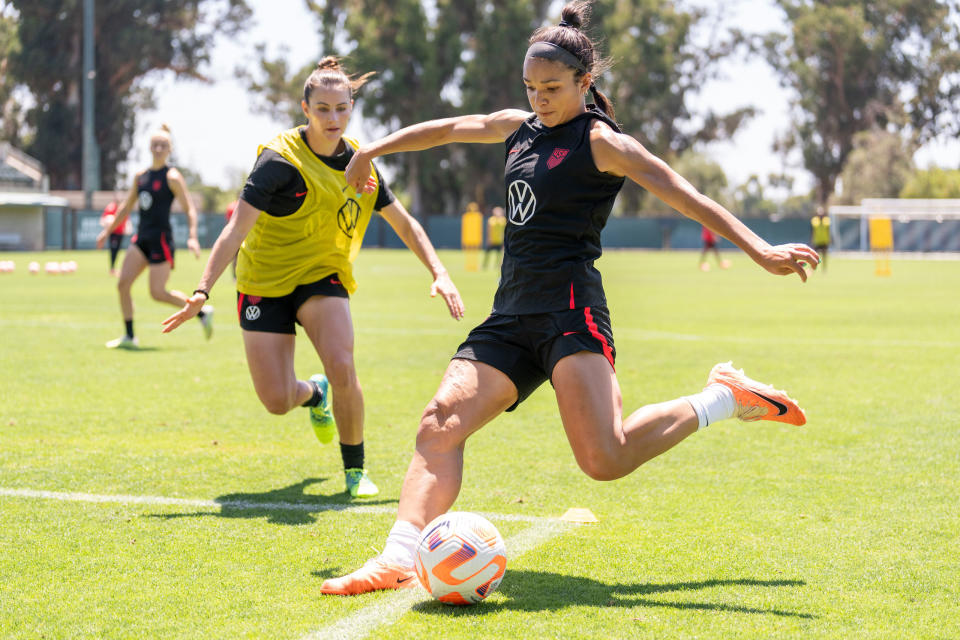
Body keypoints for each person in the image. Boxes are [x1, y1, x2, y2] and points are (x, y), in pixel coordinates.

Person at [319, 0, 820, 595]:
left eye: (552, 87)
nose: (539, 99)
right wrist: (373, 151)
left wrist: (760, 249)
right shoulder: (520, 129)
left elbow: (685, 195)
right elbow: (452, 127)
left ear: (586, 82)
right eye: (531, 87)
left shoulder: (604, 143)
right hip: (510, 314)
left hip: (570, 312)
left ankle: (722, 397)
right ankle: (398, 556)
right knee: (439, 423)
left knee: (604, 459)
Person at [161, 58, 465, 499]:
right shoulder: (278, 162)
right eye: (323, 109)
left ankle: (354, 470)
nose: (333, 119)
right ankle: (312, 394)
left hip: (323, 275)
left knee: (342, 364)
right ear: (305, 108)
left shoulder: (362, 164)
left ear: (351, 107)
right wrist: (200, 290)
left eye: (342, 109)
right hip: (264, 279)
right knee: (276, 400)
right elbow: (235, 230)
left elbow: (406, 224)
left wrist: (440, 273)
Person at [96, 124, 213, 349]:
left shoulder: (172, 177)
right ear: (149, 148)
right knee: (122, 284)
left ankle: (203, 312)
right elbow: (125, 207)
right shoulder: (140, 177)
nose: (158, 148)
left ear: (169, 149)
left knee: (157, 293)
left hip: (161, 240)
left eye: (163, 145)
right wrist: (107, 231)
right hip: (141, 240)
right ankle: (129, 336)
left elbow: (189, 208)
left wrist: (192, 236)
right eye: (155, 145)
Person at [99, 196, 130, 276]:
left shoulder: (122, 208)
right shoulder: (110, 208)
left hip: (120, 233)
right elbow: (103, 219)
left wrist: (127, 227)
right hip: (114, 233)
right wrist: (106, 229)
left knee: (117, 250)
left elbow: (126, 220)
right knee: (113, 249)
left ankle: (113, 268)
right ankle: (112, 268)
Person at [811, 206, 830, 272]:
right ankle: (813, 268)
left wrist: (829, 239)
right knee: (814, 256)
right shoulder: (814, 220)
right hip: (817, 241)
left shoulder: (826, 220)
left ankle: (824, 269)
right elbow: (813, 231)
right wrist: (812, 240)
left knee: (824, 256)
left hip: (824, 241)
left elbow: (828, 231)